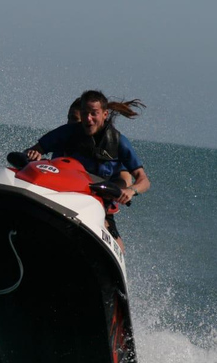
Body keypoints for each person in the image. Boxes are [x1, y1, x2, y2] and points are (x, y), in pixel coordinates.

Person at [26, 90, 150, 251]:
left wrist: (131, 190)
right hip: (62, 194)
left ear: (105, 114)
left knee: (118, 246)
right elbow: (35, 150)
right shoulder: (67, 132)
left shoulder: (118, 142)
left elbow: (144, 180)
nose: (88, 119)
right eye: (85, 113)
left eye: (94, 114)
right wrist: (34, 154)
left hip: (97, 202)